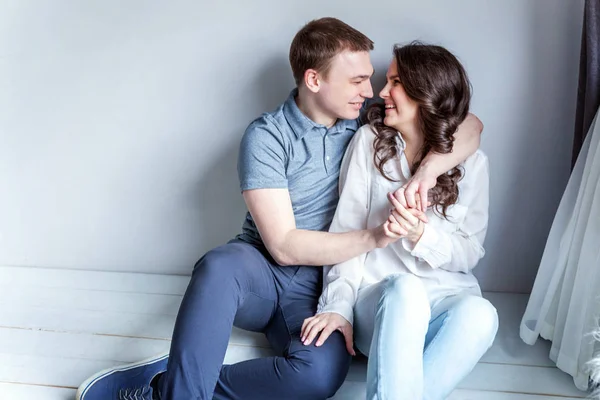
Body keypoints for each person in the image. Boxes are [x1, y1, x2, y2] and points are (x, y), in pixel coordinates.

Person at [76, 19, 483, 400]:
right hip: (262, 269)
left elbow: (468, 125)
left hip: (320, 285)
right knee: (219, 266)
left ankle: (170, 381)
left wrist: (428, 171)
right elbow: (285, 247)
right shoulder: (267, 137)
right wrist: (375, 238)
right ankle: (181, 390)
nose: (369, 90)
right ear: (314, 79)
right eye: (357, 80)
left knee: (319, 375)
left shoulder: (364, 123)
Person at [301, 42, 498, 400]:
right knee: (405, 290)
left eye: (395, 82)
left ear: (426, 92)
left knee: (482, 314)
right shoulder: (369, 143)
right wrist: (337, 307)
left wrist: (421, 234)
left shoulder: (473, 163)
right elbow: (345, 234)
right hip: (381, 302)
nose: (381, 92)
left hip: (442, 299)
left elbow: (469, 252)